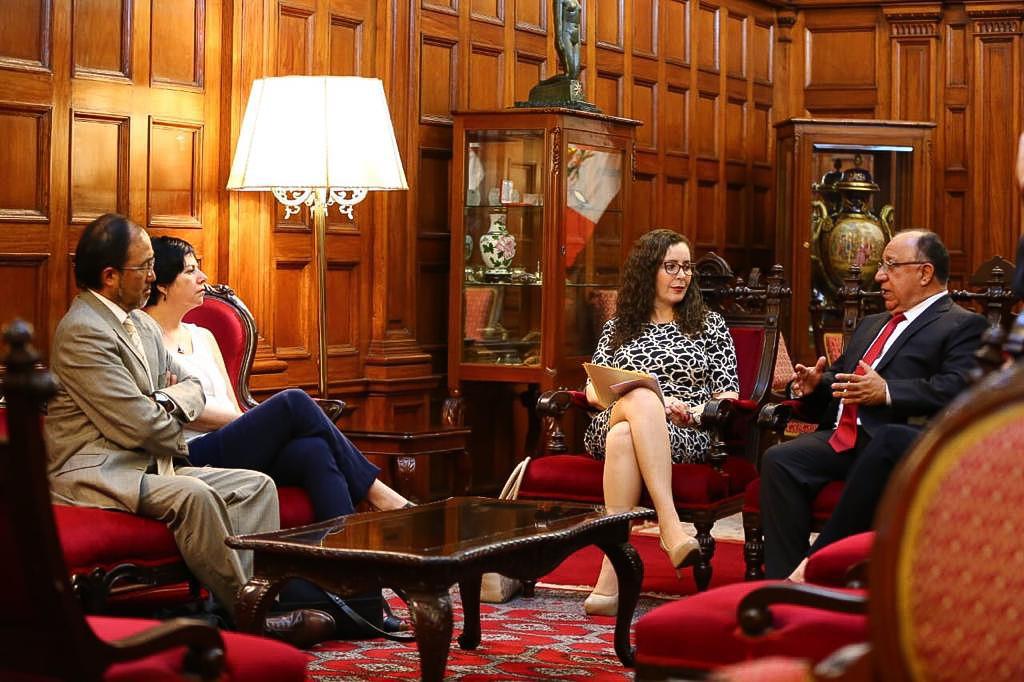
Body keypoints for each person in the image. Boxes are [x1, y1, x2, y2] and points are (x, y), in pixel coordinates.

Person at [45, 213, 334, 646]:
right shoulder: (82, 333)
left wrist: (165, 402)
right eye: (143, 267)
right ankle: (252, 620)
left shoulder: (140, 323)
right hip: (98, 471)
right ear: (109, 276)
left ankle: (242, 606)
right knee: (195, 495)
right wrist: (165, 407)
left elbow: (195, 385)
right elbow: (145, 428)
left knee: (256, 486)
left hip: (148, 465)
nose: (151, 275)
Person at [761, 229, 988, 580]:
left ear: (924, 273)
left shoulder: (962, 324)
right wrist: (813, 386)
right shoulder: (871, 324)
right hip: (843, 438)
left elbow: (958, 388)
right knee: (780, 459)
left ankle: (815, 570)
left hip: (898, 443)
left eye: (891, 266)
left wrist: (886, 392)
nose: (879, 275)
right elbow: (841, 381)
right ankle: (783, 582)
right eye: (882, 266)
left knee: (882, 445)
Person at [141, 236, 411, 520]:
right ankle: (379, 494)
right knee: (293, 402)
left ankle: (344, 555)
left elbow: (231, 406)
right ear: (162, 284)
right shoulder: (145, 338)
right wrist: (262, 423)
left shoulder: (204, 336)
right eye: (190, 270)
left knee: (314, 450)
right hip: (191, 451)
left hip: (232, 441)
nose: (202, 277)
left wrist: (256, 425)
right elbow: (176, 412)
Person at [581, 229, 740, 615]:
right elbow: (591, 390)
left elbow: (728, 393)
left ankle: (611, 573)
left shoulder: (709, 325)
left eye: (686, 268)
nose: (681, 275)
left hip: (683, 433)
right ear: (648, 271)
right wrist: (652, 399)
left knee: (624, 437)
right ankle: (670, 526)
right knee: (640, 398)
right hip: (613, 414)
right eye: (671, 266)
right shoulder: (620, 325)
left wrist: (692, 411)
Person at [554, 0, 582, 80]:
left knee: (576, 73)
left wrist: (578, 39)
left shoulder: (576, 0)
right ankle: (545, 84)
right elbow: (558, 20)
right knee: (570, 74)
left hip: (575, 35)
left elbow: (578, 23)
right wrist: (559, 39)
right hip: (566, 33)